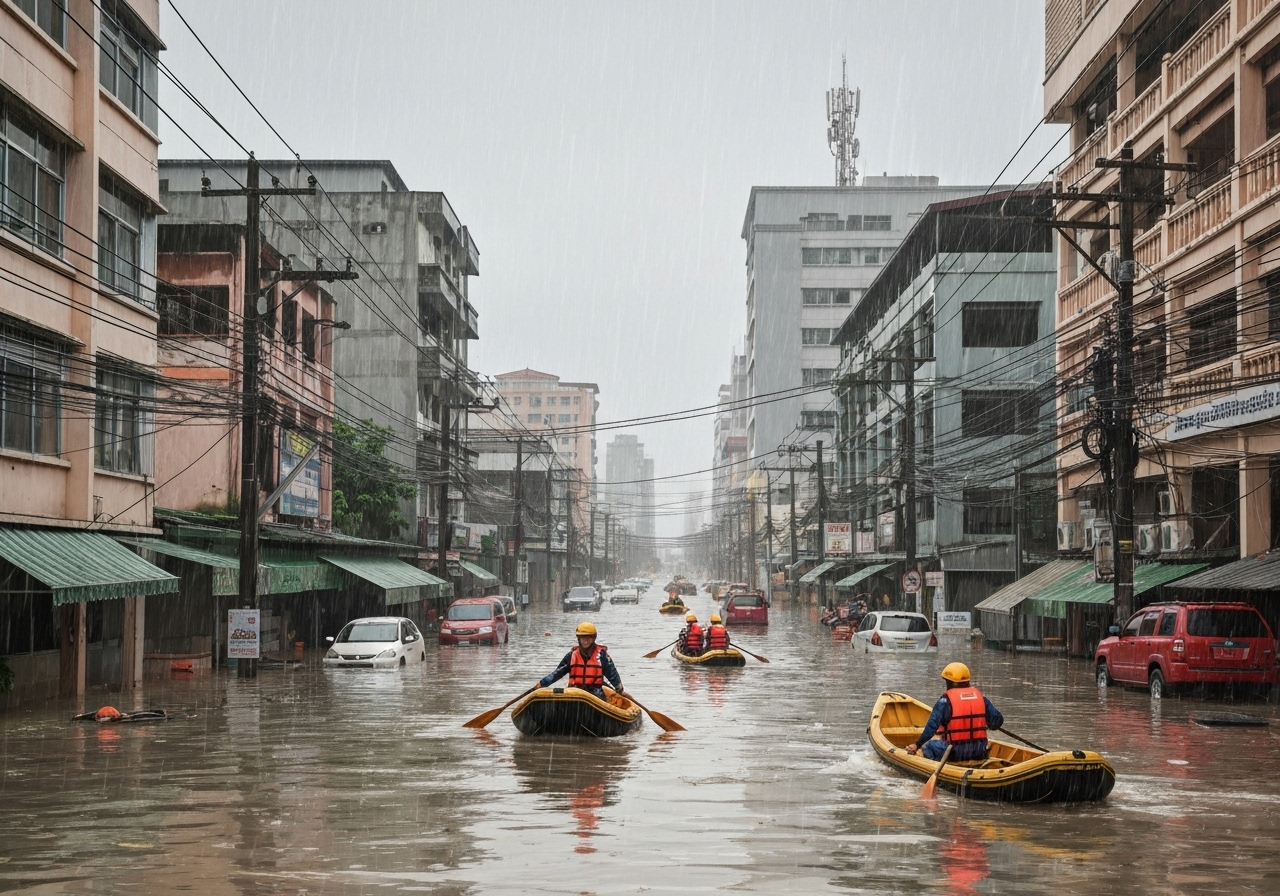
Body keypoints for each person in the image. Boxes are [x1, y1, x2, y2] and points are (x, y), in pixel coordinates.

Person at [906, 662, 1004, 762]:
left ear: (951, 683)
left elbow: (931, 728)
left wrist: (917, 744)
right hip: (979, 751)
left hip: (954, 752)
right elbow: (996, 722)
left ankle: (936, 764)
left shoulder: (945, 701)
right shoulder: (982, 699)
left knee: (928, 746)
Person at [538, 621, 623, 700]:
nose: (586, 641)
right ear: (579, 639)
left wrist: (618, 687)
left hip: (595, 695)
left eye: (588, 638)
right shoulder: (571, 656)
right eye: (583, 638)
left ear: (593, 638)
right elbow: (556, 674)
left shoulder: (602, 655)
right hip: (574, 693)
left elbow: (612, 674)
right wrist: (541, 684)